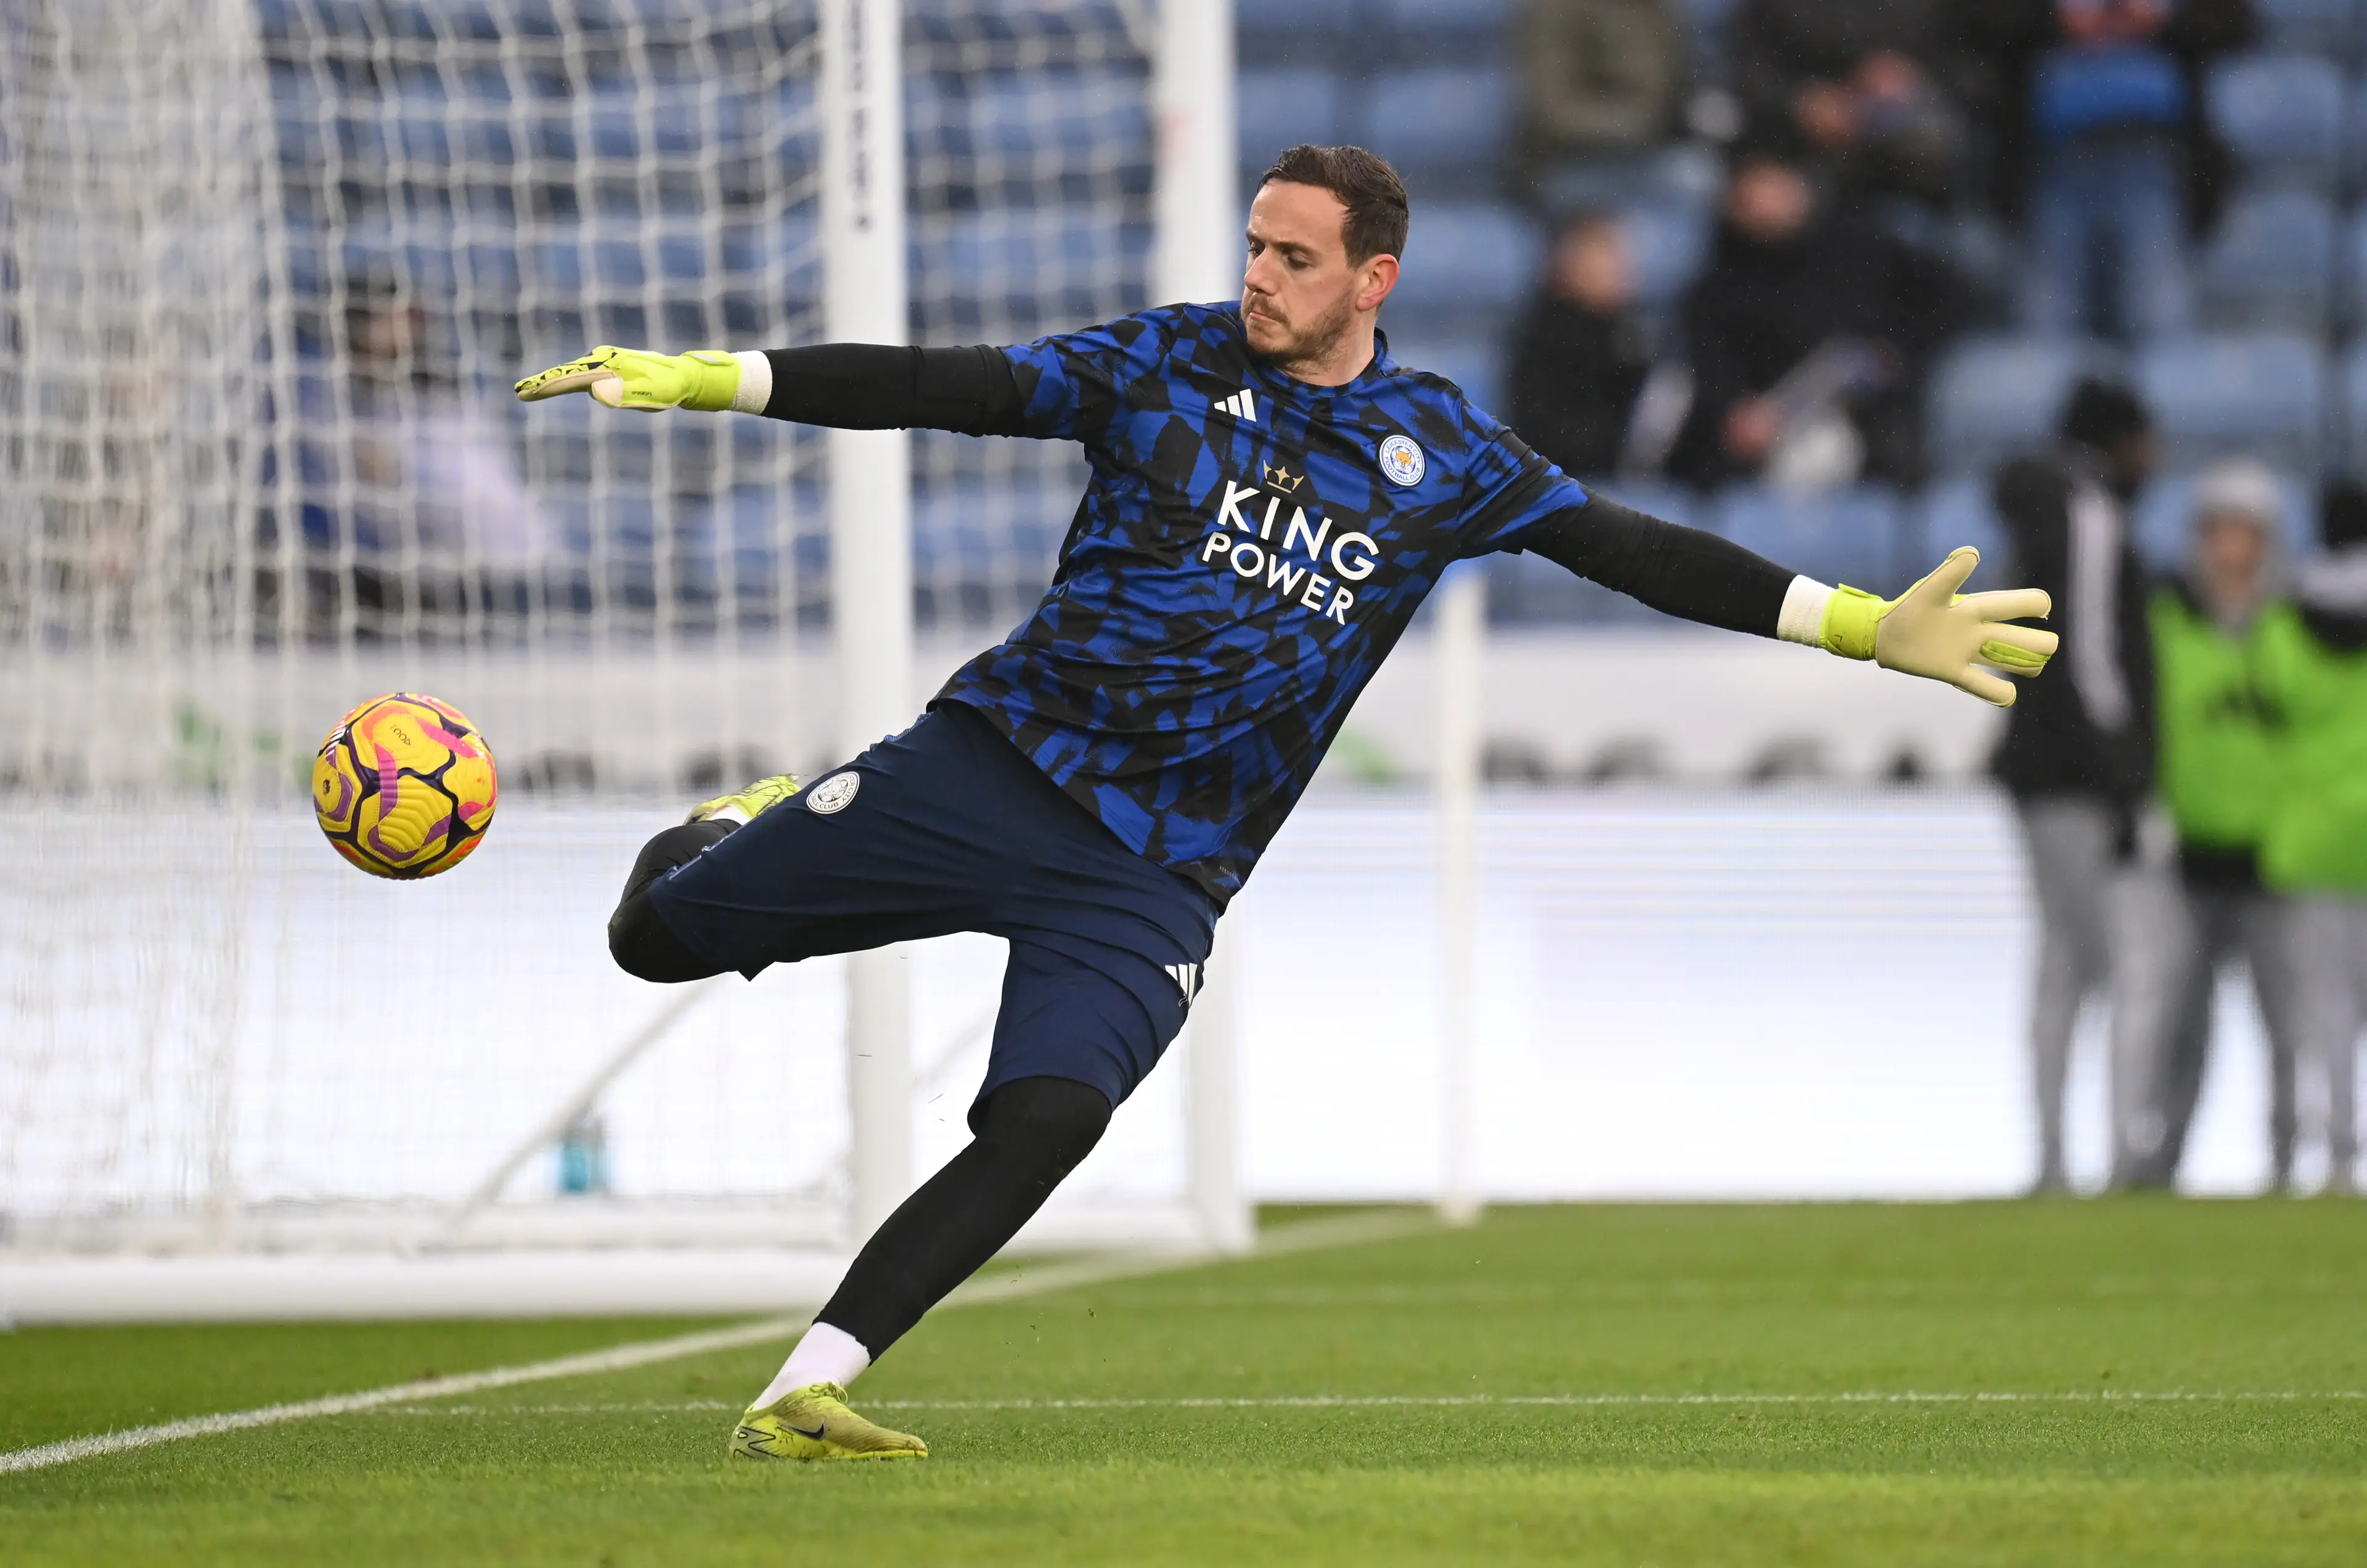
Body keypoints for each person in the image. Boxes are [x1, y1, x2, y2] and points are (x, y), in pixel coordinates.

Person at [516, 144, 2059, 1461]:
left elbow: (1633, 547)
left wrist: (1862, 624)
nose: (1258, 275)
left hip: (1158, 872)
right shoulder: (1166, 360)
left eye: (1292, 256)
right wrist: (721, 379)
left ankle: (810, 1383)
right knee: (654, 941)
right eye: (1254, 244)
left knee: (1052, 1111)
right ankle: (741, 825)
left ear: (1370, 280)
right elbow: (956, 387)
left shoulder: (1440, 449)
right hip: (989, 766)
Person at [2116, 457, 2310, 1190]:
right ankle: (2159, 1163)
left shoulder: (2296, 624)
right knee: (2178, 1026)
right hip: (2187, 856)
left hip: (2274, 858)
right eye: (2220, 531)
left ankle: (2290, 1163)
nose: (2232, 548)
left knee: (2288, 1025)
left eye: (2246, 533)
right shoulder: (2165, 620)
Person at [1990, 378, 2159, 1194]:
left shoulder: (2040, 508)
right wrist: (2125, 771)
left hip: (2036, 762)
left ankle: (2058, 1153)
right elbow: (2088, 649)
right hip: (2077, 772)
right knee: (2098, 960)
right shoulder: (2087, 511)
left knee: (2066, 959)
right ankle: (2091, 1154)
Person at [1670, 136, 1971, 490]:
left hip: (1869, 413)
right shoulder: (1717, 288)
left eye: (1775, 184)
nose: (1765, 200)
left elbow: (1950, 296)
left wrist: (1900, 349)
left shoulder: (1860, 247)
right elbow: (1711, 367)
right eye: (1752, 189)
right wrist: (1734, 410)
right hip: (1769, 432)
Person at [1961, 0, 2257, 343]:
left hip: (2155, 157)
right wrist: (2058, 15)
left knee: (2160, 318)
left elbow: (2237, 24)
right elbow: (1977, 21)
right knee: (2045, 323)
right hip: (2050, 161)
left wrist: (2161, 16)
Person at [2257, 481, 2367, 1194]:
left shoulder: (2283, 622)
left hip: (2310, 837)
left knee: (2323, 1006)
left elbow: (2266, 712)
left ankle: (2331, 1149)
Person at [1731, 0, 1967, 212]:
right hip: (1785, 144)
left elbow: (1963, 55)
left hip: (1900, 134)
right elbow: (1747, 72)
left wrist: (1908, 72)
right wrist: (1801, 100)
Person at [1505, 211, 1658, 477]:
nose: (1618, 273)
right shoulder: (1543, 340)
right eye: (1604, 261)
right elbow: (1546, 432)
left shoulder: (1632, 336)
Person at [1510, 0, 1695, 212]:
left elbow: (1676, 87)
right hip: (1568, 164)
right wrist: (1644, 123)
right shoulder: (1551, 10)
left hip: (1646, 156)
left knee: (1697, 178)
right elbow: (1554, 112)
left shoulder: (1659, 9)